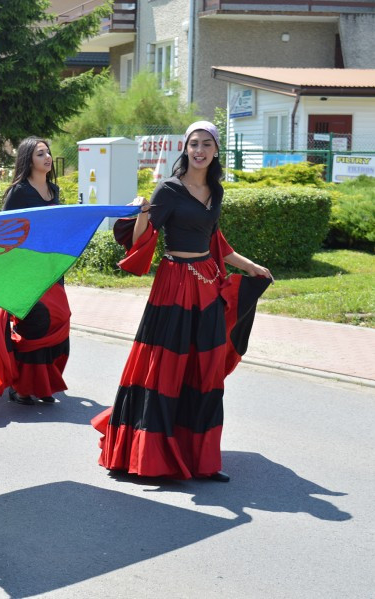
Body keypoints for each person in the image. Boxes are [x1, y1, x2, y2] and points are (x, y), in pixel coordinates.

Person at [91, 121, 273, 482]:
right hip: (174, 283)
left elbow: (215, 239)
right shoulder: (169, 189)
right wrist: (143, 213)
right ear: (185, 149)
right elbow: (142, 239)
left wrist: (252, 266)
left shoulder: (216, 191)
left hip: (207, 282)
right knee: (163, 368)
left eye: (207, 144)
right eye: (194, 144)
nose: (200, 150)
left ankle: (202, 459)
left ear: (216, 150)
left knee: (205, 371)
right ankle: (149, 454)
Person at [0, 137, 71, 405]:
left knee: (58, 321)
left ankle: (44, 385)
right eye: (41, 153)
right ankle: (21, 386)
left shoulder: (54, 189)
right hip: (27, 270)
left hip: (53, 268)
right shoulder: (18, 192)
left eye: (48, 152)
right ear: (29, 159)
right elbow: (4, 231)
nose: (48, 157)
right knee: (36, 323)